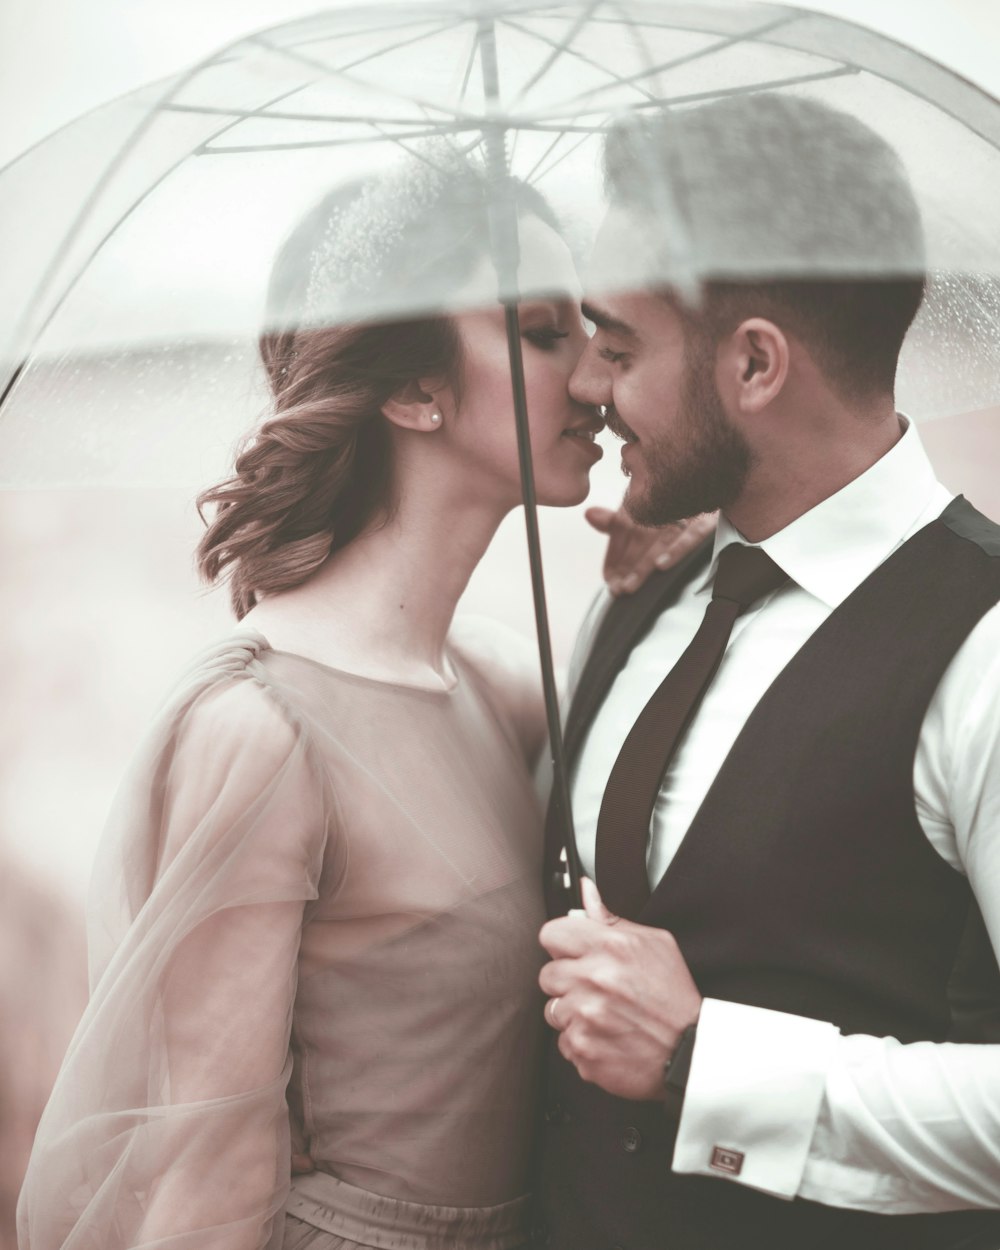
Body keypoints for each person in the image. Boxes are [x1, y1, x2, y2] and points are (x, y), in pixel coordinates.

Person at [15, 146, 704, 1250]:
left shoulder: (497, 687)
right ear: (412, 389)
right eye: (537, 332)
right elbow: (207, 1173)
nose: (595, 376)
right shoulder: (262, 730)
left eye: (586, 328)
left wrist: (687, 558)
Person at [534, 93, 1000, 1250]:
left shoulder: (984, 645)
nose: (589, 387)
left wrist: (706, 1061)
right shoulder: (642, 595)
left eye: (621, 345)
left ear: (753, 364)